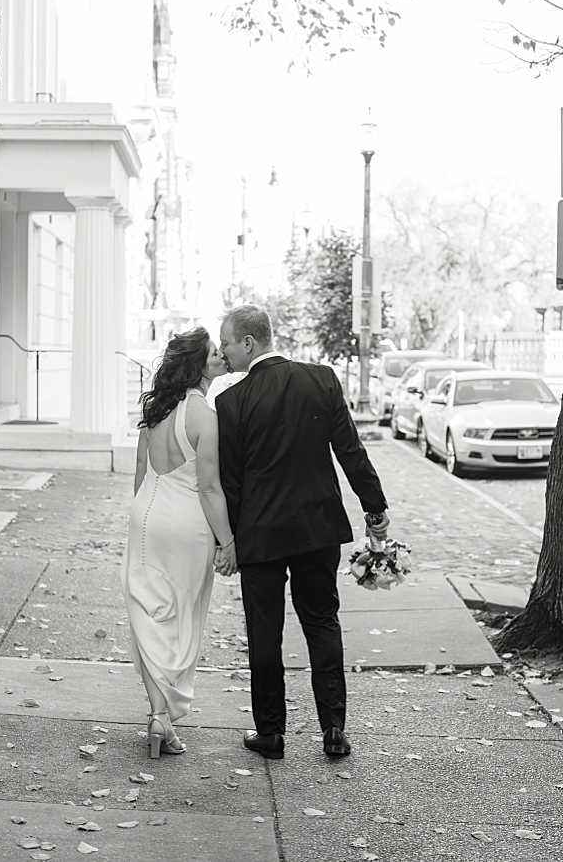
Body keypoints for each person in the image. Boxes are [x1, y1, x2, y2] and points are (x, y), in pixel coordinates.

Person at [215, 304, 390, 760]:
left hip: (260, 534)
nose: (224, 351)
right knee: (321, 623)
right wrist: (375, 510)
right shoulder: (322, 380)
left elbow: (230, 482)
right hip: (317, 529)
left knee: (264, 632)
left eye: (228, 343)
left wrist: (229, 540)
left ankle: (270, 733)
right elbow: (351, 452)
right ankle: (334, 729)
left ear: (249, 343)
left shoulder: (231, 402)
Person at [123, 327, 238, 759]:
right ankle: (162, 714)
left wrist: (140, 521)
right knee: (182, 617)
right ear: (198, 366)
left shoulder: (156, 410)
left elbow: (139, 471)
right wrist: (226, 541)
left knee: (148, 616)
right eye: (214, 354)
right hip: (187, 522)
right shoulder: (204, 416)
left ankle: (158, 715)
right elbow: (209, 488)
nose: (220, 358)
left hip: (146, 516)